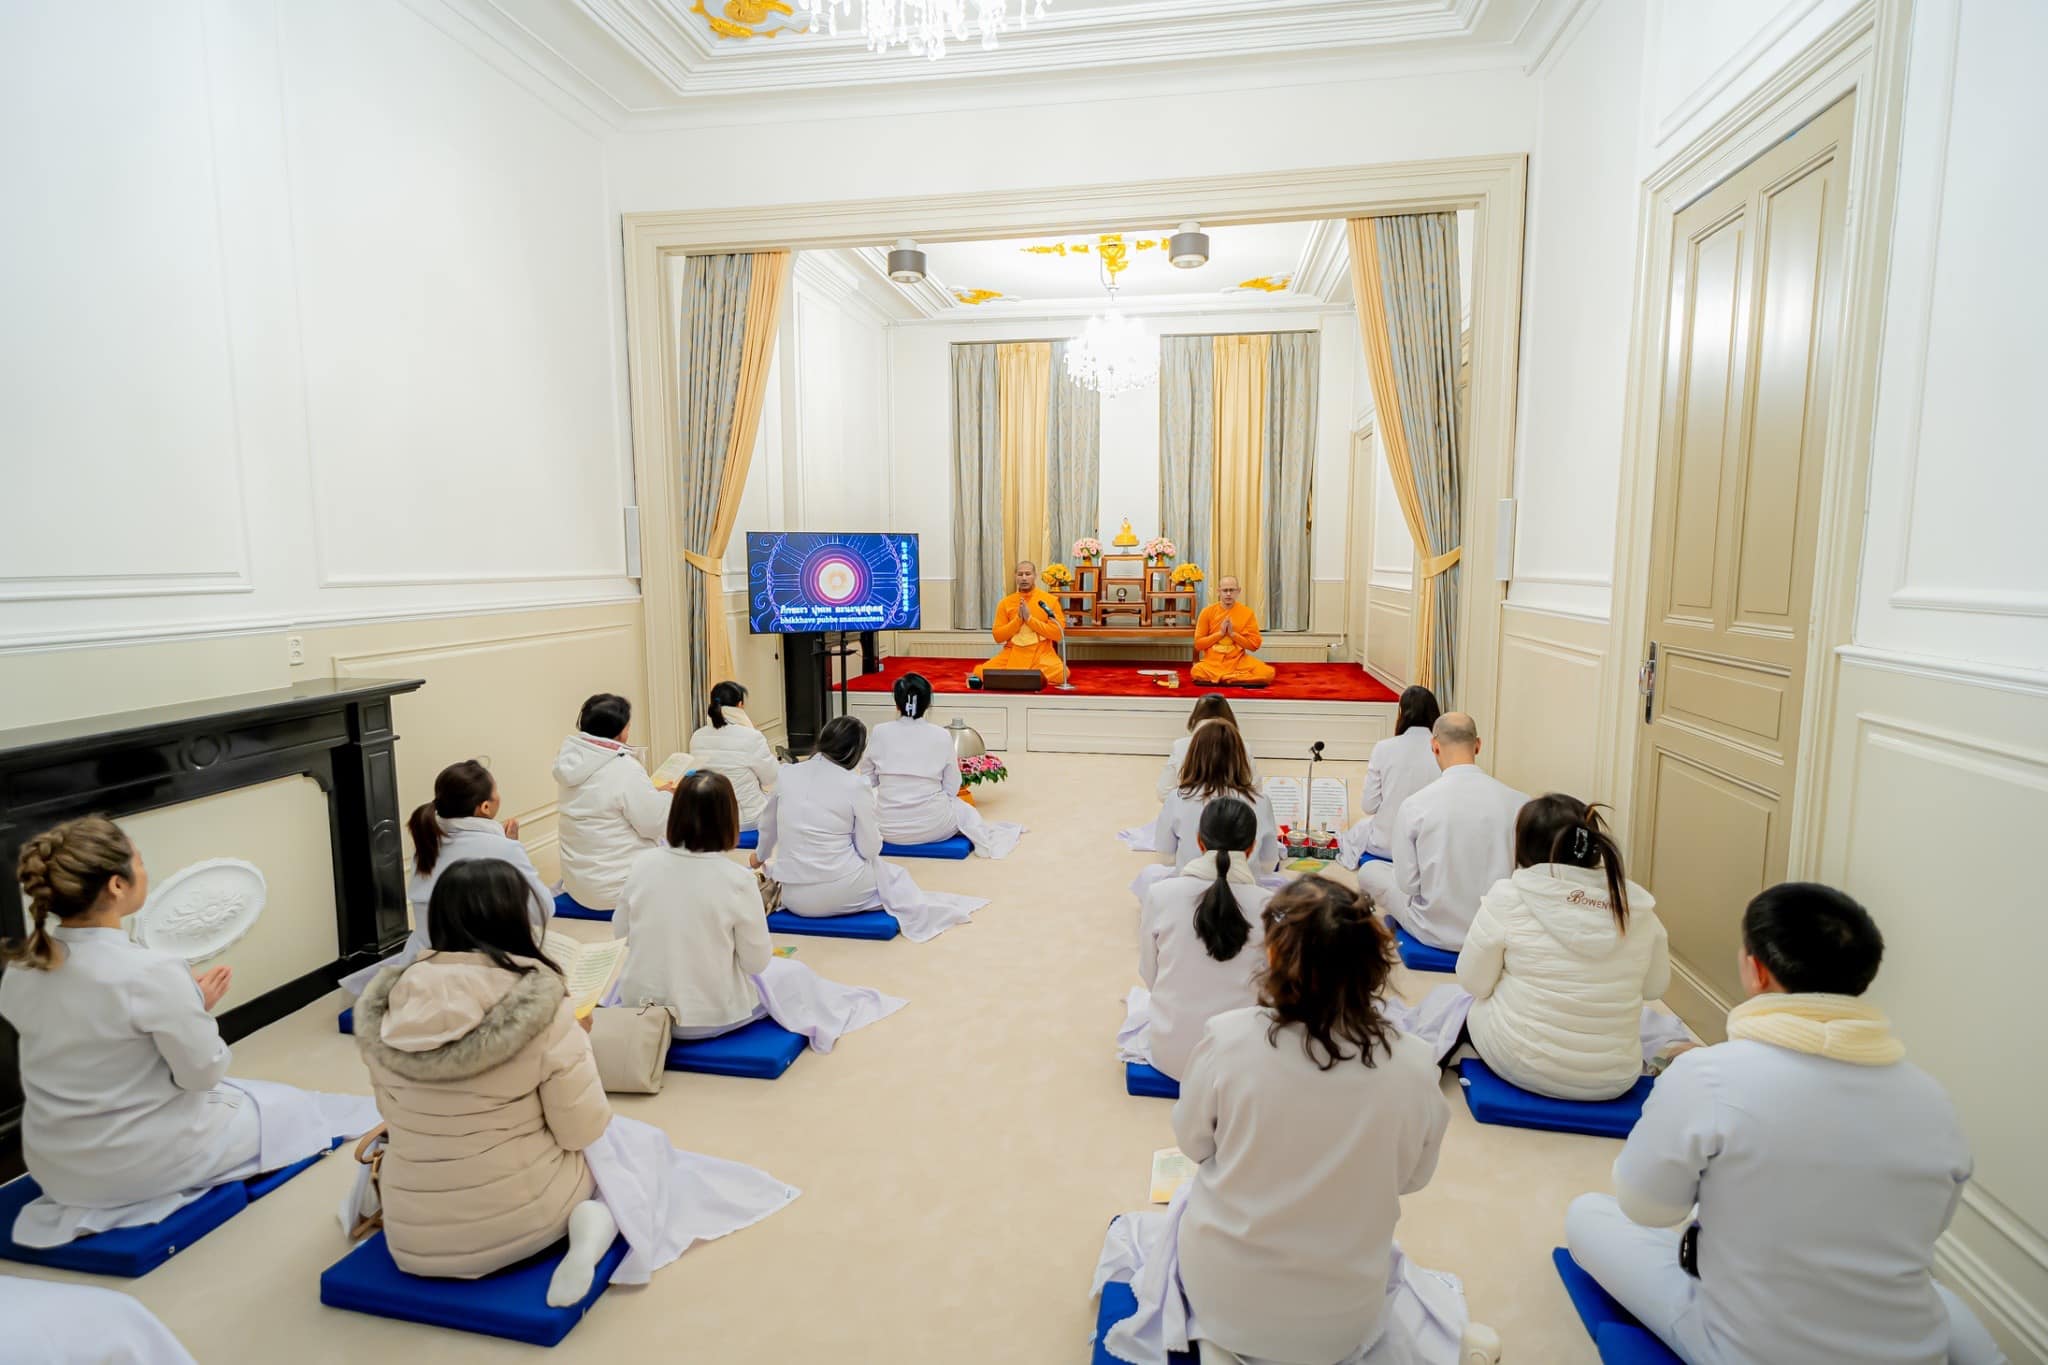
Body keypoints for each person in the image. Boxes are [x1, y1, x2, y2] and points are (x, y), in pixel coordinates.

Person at [1565, 883, 2004, 1365]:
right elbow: (1926, 1230)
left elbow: (1646, 1207)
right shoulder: (1933, 1102)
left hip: (1745, 1347)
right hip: (1903, 1347)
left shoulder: (1712, 1075)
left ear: (1755, 970)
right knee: (1943, 1303)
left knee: (1588, 1215)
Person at [1092, 877, 1498, 1365]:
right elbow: (1412, 1178)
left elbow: (1194, 1143)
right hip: (1345, 1323)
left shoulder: (1228, 1039)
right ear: (1373, 966)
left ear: (1272, 960)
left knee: (1185, 1201)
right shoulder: (1414, 1063)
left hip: (1224, 1302)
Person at [354, 859, 797, 1305]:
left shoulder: (387, 1009)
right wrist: (575, 1048)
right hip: (524, 1222)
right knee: (634, 1151)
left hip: (410, 1234)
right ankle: (591, 1233)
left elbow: (395, 1114)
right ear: (516, 917)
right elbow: (582, 1130)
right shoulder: (537, 1005)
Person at [0, 817, 378, 1249]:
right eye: (139, 862)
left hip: (54, 1163)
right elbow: (203, 1074)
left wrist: (182, 1005)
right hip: (136, 1164)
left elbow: (89, 1038)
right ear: (116, 886)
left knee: (260, 1098)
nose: (145, 871)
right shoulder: (151, 972)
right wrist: (193, 1009)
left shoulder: (23, 968)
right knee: (288, 1107)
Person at [1385, 795, 1689, 1097]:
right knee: (1648, 1021)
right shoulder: (1636, 907)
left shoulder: (1509, 896)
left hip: (1518, 1064)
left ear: (1524, 846)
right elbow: (1653, 989)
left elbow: (1473, 983)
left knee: (1453, 998)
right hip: (1615, 1078)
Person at [611, 771, 904, 1049]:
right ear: (728, 819)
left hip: (641, 1010)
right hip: (711, 1018)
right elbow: (756, 962)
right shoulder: (736, 880)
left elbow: (621, 932)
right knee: (793, 975)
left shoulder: (642, 864)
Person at [756, 716, 987, 943]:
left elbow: (768, 825)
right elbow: (870, 849)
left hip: (793, 897)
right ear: (856, 751)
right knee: (895, 877)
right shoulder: (855, 785)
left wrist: (759, 857)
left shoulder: (787, 773)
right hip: (841, 893)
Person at [340, 759, 552, 996]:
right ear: (484, 808)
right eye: (496, 792)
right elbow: (543, 909)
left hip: (420, 963)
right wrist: (512, 850)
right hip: (473, 970)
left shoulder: (427, 841)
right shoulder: (504, 849)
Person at [1120, 797, 1274, 1082]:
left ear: (1200, 842)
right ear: (1251, 848)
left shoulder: (1161, 894)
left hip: (1170, 1055)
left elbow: (1150, 975)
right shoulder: (1269, 905)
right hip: (1240, 1063)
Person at [1356, 714, 1526, 951]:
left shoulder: (1416, 805)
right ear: (1478, 745)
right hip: (1494, 930)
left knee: (1370, 871)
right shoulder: (1519, 803)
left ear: (1434, 746)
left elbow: (1408, 884)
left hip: (1432, 929)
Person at [859, 671, 1023, 858]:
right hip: (934, 826)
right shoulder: (940, 735)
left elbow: (867, 778)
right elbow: (952, 785)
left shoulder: (880, 732)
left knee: (868, 797)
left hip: (886, 828)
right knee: (964, 811)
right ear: (928, 704)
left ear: (897, 704)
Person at [552, 692, 674, 911]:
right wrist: (667, 796)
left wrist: (650, 792)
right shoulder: (624, 767)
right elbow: (654, 825)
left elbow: (603, 798)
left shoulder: (571, 761)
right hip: (619, 890)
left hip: (578, 886)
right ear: (618, 732)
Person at [1136, 720, 1280, 904]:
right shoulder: (1260, 800)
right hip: (1246, 890)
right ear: (1240, 757)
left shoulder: (1178, 797)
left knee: (1150, 876)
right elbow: (1268, 862)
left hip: (1189, 889)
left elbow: (1165, 854)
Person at [1337, 685, 1443, 867]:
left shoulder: (1383, 748)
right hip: (1431, 848)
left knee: (1355, 832)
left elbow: (1368, 806)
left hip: (1387, 844)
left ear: (1401, 713)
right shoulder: (1444, 750)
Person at [689, 681, 778, 831]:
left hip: (710, 818)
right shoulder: (751, 737)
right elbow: (771, 777)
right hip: (747, 820)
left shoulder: (697, 736)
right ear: (740, 705)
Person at [969, 560, 1067, 688]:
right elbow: (998, 636)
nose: (1024, 578)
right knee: (982, 672)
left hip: (1041, 652)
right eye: (1020, 574)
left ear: (1035, 576)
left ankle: (1017, 677)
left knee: (1062, 673)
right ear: (1015, 577)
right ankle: (1030, 676)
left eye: (1028, 574)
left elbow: (1057, 633)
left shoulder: (1049, 601)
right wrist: (1018, 620)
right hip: (1013, 651)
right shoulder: (1006, 603)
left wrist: (1030, 619)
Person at [1154, 694, 1247, 804]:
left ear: (1195, 717)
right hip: (1233, 815)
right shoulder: (1244, 747)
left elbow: (1164, 792)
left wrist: (1183, 805)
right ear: (1229, 717)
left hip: (1188, 812)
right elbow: (1254, 790)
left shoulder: (1181, 746)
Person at [1189, 576, 1275, 687]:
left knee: (1267, 673)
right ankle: (1235, 679)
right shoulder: (1207, 612)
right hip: (1214, 663)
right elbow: (1199, 644)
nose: (1228, 594)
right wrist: (1220, 634)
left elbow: (1254, 645)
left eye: (1232, 590)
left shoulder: (1247, 613)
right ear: (1218, 591)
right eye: (1225, 590)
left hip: (1238, 661)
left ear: (1238, 591)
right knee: (1197, 671)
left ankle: (1223, 679)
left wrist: (1233, 634)